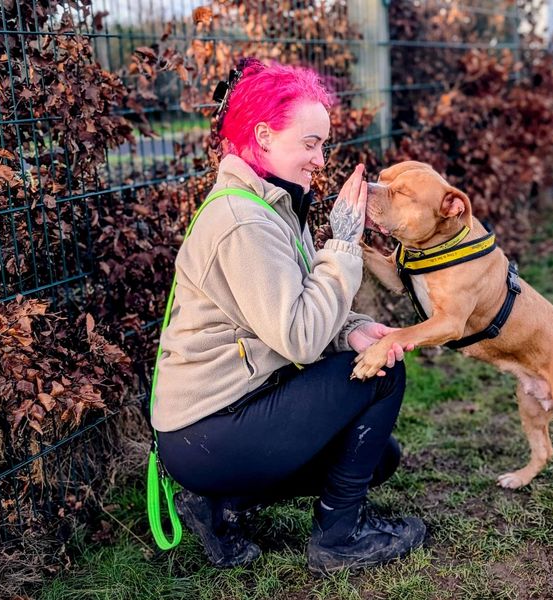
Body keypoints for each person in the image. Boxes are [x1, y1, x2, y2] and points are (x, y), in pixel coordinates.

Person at [150, 58, 425, 575]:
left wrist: (351, 330)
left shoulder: (272, 205)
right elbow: (299, 338)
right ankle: (340, 539)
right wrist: (344, 242)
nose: (320, 160)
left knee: (379, 456)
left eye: (323, 145)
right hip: (209, 429)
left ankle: (221, 505)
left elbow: (291, 309)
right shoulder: (242, 221)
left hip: (226, 419)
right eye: (310, 143)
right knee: (383, 372)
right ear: (263, 136)